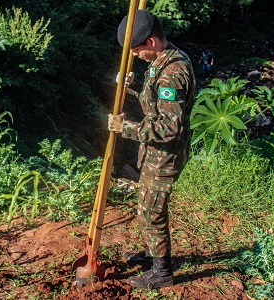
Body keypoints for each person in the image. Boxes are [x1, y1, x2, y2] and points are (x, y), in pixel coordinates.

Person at [109, 10, 197, 289]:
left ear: (150, 42)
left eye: (136, 51)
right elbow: (156, 101)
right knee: (147, 207)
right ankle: (151, 254)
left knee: (153, 211)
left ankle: (162, 271)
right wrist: (133, 85)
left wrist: (126, 128)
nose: (134, 56)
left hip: (165, 155)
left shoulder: (174, 71)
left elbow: (170, 128)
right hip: (156, 153)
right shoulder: (164, 60)